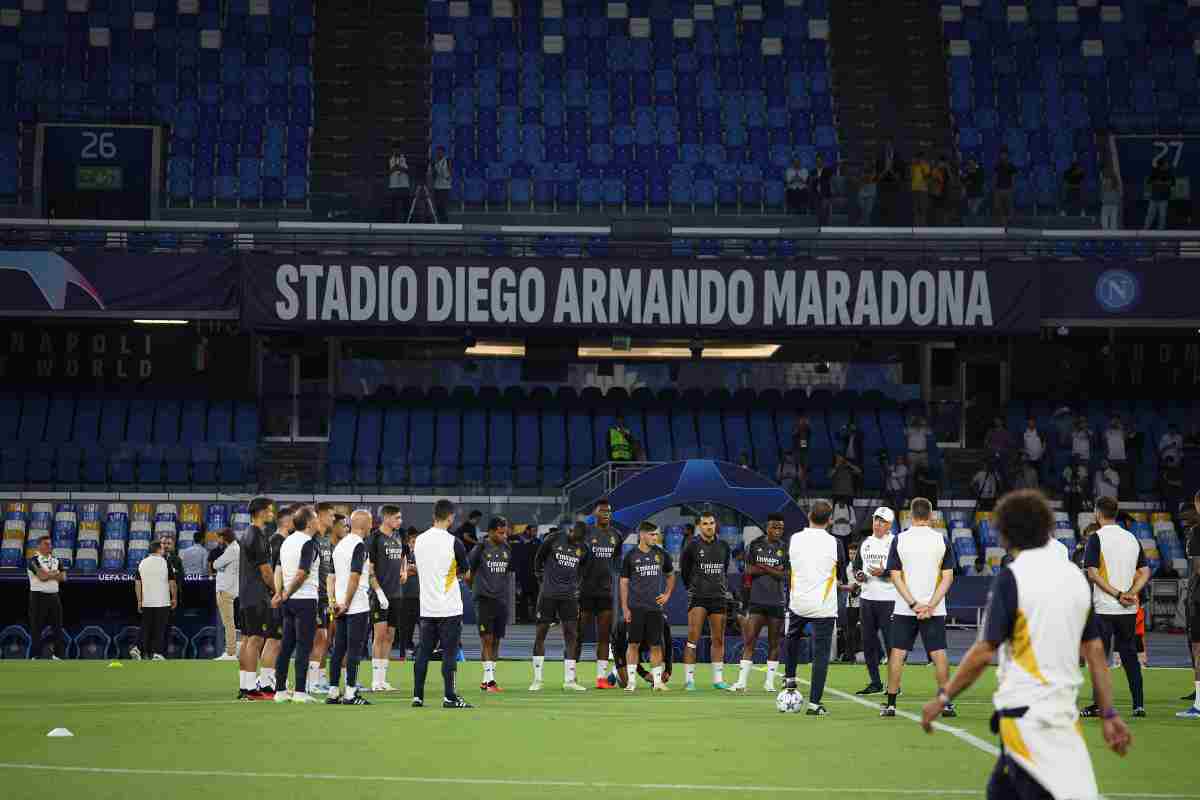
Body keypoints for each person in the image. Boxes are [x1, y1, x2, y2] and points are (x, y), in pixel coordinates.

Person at [919, 489, 1133, 799]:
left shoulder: (1013, 577)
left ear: (1007, 534)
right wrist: (1109, 713)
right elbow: (1095, 652)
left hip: (1025, 720)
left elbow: (984, 651)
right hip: (1062, 716)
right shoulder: (1075, 578)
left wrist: (943, 696)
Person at [881, 497, 956, 718]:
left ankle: (891, 704)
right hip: (934, 609)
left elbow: (895, 576)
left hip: (906, 608)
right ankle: (947, 704)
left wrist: (913, 604)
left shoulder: (900, 539)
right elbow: (948, 578)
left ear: (911, 516)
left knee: (897, 653)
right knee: (939, 653)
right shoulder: (941, 540)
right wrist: (931, 604)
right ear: (931, 516)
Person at [1081, 496, 1150, 718]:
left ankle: (1100, 704)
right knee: (1130, 655)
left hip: (1105, 608)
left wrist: (1118, 594)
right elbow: (1145, 572)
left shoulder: (1096, 538)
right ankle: (1138, 705)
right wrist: (1131, 593)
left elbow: (1092, 573)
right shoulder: (1132, 538)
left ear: (1098, 514)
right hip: (1128, 610)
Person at [779, 500, 845, 716]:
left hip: (798, 601)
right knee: (821, 654)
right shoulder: (835, 543)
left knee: (792, 637)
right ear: (830, 521)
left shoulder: (794, 539)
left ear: (808, 516)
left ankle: (789, 678)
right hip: (823, 606)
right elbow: (841, 574)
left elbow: (792, 566)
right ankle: (815, 704)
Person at [411, 498, 472, 709]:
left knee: (423, 653)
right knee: (449, 653)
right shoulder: (453, 542)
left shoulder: (419, 540)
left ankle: (417, 696)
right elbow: (466, 572)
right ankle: (450, 697)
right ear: (450, 517)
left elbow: (419, 567)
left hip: (427, 607)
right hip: (449, 607)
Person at [530, 521, 592, 692]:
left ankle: (569, 680)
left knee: (571, 635)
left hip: (569, 597)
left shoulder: (584, 548)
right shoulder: (554, 539)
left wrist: (577, 586)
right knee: (541, 633)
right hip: (548, 595)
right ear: (570, 531)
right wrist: (540, 578)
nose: (576, 541)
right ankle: (537, 680)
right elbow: (538, 558)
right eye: (575, 537)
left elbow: (584, 569)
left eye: (580, 539)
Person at [731, 513, 788, 692]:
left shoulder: (785, 548)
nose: (777, 531)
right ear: (767, 527)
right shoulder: (755, 545)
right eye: (774, 527)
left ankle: (769, 683)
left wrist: (762, 568)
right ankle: (741, 682)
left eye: (780, 528)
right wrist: (772, 569)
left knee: (774, 643)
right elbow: (748, 569)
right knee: (750, 641)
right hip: (757, 601)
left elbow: (785, 574)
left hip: (777, 601)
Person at [572, 499, 624, 689]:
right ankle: (571, 676)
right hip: (584, 591)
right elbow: (574, 559)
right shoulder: (585, 533)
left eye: (609, 511)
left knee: (604, 636)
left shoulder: (616, 535)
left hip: (605, 592)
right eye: (602, 511)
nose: (606, 514)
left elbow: (617, 562)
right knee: (577, 635)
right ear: (594, 513)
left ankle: (601, 678)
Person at [270, 506, 320, 703]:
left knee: (286, 646)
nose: (317, 521)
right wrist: (286, 593)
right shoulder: (308, 543)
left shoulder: (286, 542)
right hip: (304, 599)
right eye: (315, 518)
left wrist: (279, 593)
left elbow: (279, 570)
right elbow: (302, 573)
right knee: (303, 646)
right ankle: (300, 691)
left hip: (288, 601)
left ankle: (280, 691)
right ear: (308, 523)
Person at [619, 521, 675, 692]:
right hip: (636, 608)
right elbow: (623, 583)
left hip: (655, 608)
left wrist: (667, 594)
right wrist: (625, 608)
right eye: (652, 534)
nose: (655, 537)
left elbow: (671, 575)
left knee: (656, 645)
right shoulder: (630, 556)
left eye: (656, 534)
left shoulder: (661, 554)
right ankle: (631, 682)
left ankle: (657, 682)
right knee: (633, 644)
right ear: (642, 535)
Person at [679, 511, 732, 691]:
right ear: (699, 526)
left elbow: (723, 569)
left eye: (711, 523)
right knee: (692, 639)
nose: (709, 526)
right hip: (698, 597)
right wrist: (693, 588)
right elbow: (684, 571)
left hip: (718, 597)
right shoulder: (692, 546)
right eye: (705, 524)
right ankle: (689, 680)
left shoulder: (724, 546)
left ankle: (718, 680)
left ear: (715, 524)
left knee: (718, 639)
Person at [328, 509, 372, 705]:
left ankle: (333, 691)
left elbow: (332, 577)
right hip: (356, 605)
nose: (372, 526)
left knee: (339, 649)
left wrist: (335, 601)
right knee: (354, 650)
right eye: (371, 523)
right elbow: (355, 577)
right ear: (363, 525)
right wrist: (346, 602)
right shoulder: (359, 545)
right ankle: (351, 693)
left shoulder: (339, 546)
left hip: (339, 604)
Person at [236, 496, 276, 700]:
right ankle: (252, 688)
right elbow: (266, 570)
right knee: (256, 639)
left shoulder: (247, 534)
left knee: (247, 639)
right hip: (257, 594)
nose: (272, 512)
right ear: (260, 512)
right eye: (269, 509)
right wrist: (277, 590)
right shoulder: (257, 535)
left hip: (246, 594)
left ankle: (245, 685)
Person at [854, 507, 897, 695]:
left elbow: (902, 569)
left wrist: (885, 573)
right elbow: (857, 567)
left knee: (891, 644)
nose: (877, 524)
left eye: (882, 521)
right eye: (876, 520)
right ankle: (875, 682)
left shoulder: (896, 542)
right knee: (868, 642)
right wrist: (860, 575)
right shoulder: (865, 543)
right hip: (867, 598)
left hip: (889, 599)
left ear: (889, 525)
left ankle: (894, 685)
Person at [466, 516, 511, 693]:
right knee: (487, 639)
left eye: (505, 533)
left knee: (497, 640)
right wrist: (477, 590)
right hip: (484, 599)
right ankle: (490, 681)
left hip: (501, 599)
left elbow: (505, 573)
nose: (504, 536)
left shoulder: (507, 548)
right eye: (500, 533)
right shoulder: (480, 548)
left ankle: (487, 680)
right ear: (491, 532)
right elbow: (468, 573)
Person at [367, 503, 406, 692]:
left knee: (390, 636)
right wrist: (378, 592)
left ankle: (383, 679)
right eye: (397, 517)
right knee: (379, 635)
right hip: (379, 595)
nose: (400, 521)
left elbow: (404, 555)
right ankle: (375, 679)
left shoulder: (400, 536)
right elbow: (369, 568)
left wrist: (404, 570)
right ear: (387, 518)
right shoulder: (374, 538)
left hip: (397, 594)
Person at [260, 504, 295, 693]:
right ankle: (265, 679)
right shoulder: (277, 542)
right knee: (273, 640)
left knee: (278, 640)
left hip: (279, 596)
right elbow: (273, 572)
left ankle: (268, 677)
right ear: (287, 521)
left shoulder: (281, 540)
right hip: (275, 597)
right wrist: (277, 593)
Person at [308, 512, 340, 692]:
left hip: (326, 598)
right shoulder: (311, 541)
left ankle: (318, 678)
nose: (332, 521)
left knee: (324, 640)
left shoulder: (329, 541)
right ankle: (311, 682)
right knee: (317, 639)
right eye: (329, 516)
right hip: (314, 597)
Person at [1179, 490, 1200, 719]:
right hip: (1194, 594)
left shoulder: (1196, 533)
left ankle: (1199, 702)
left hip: (1198, 596)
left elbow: (1198, 569)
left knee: (1197, 648)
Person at [27, 536, 65, 660]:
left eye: (50, 544)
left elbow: (64, 577)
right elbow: (41, 576)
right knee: (36, 627)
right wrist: (54, 574)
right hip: (38, 595)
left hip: (54, 595)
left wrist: (48, 574)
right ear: (39, 546)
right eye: (46, 544)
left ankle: (58, 655)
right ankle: (35, 655)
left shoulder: (56, 560)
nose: (49, 546)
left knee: (57, 626)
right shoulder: (33, 560)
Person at [135, 540, 174, 661]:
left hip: (147, 601)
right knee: (160, 628)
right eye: (162, 548)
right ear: (158, 549)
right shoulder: (165, 562)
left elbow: (137, 583)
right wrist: (174, 597)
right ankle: (157, 653)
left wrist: (139, 601)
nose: (164, 550)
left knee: (146, 627)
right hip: (162, 601)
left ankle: (138, 648)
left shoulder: (142, 563)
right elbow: (172, 582)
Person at [210, 528, 239, 661]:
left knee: (228, 622)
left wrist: (220, 566)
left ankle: (231, 653)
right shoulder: (233, 549)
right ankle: (230, 651)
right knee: (228, 622)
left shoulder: (232, 550)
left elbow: (215, 564)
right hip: (227, 588)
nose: (218, 540)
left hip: (225, 590)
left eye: (219, 537)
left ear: (224, 537)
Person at [397, 526, 420, 659]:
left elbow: (423, 571)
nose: (414, 544)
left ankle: (421, 653)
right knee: (404, 628)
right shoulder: (403, 555)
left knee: (423, 627)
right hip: (404, 596)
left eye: (416, 542)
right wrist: (410, 569)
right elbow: (401, 573)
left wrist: (412, 569)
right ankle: (402, 655)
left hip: (419, 596)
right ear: (408, 542)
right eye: (412, 542)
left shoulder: (423, 556)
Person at [840, 540, 863, 662]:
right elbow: (843, 584)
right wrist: (850, 589)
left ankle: (878, 656)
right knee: (849, 631)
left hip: (864, 603)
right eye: (850, 553)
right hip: (850, 603)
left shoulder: (863, 567)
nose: (852, 556)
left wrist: (859, 589)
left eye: (854, 553)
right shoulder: (846, 568)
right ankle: (850, 656)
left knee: (867, 630)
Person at [1145, 157, 1173, 230]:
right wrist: (1159, 183)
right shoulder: (1155, 172)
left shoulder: (1169, 173)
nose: (1167, 165)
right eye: (1166, 163)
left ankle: (1161, 233)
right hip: (1154, 198)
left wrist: (1160, 183)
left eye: (1167, 164)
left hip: (1164, 198)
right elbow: (1148, 182)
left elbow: (1172, 183)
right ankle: (1145, 231)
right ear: (1162, 165)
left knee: (1162, 216)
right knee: (1150, 215)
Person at [993, 147, 1018, 226]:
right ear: (1000, 155)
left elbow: (1014, 177)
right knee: (999, 207)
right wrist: (995, 188)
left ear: (1007, 155)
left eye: (1005, 154)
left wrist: (1013, 188)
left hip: (1008, 189)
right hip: (999, 189)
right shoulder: (997, 165)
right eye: (1002, 154)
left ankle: (1010, 222)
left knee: (1010, 207)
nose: (1003, 156)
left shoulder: (1011, 166)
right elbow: (995, 176)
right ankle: (1002, 222)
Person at [428, 145, 452, 223]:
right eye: (437, 152)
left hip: (445, 187)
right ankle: (439, 222)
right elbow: (434, 176)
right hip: (437, 187)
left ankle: (445, 223)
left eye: (440, 152)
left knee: (443, 207)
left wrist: (442, 171)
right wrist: (433, 167)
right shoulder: (435, 162)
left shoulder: (447, 160)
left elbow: (449, 174)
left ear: (443, 153)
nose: (438, 154)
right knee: (438, 207)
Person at [1020, 417, 1044, 490]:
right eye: (1029, 422)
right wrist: (1025, 454)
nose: (1031, 423)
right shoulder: (1024, 433)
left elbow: (1044, 443)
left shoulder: (1039, 432)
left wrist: (1042, 454)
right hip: (1029, 459)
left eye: (1032, 422)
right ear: (1028, 423)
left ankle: (1039, 492)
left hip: (1039, 458)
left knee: (1039, 477)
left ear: (1035, 423)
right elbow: (1024, 445)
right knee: (1030, 479)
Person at [387, 150, 410, 222]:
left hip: (404, 185)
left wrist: (400, 168)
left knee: (405, 206)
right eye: (395, 149)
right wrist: (394, 168)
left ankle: (406, 222)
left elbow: (410, 170)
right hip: (394, 186)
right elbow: (386, 171)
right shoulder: (390, 158)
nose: (397, 151)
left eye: (398, 149)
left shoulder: (406, 158)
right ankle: (393, 222)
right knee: (393, 206)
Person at [910, 151, 930, 226]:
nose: (919, 160)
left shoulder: (926, 166)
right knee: (915, 211)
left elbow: (927, 177)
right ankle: (916, 227)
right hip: (914, 189)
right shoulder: (913, 166)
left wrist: (922, 167)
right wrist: (913, 166)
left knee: (922, 210)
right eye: (918, 158)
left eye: (921, 158)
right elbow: (910, 177)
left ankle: (923, 227)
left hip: (923, 190)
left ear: (923, 159)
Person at [858, 161, 877, 225]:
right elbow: (862, 177)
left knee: (870, 201)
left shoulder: (874, 170)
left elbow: (872, 178)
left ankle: (866, 221)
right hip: (863, 187)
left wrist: (869, 178)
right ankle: (865, 221)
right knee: (862, 202)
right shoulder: (862, 170)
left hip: (871, 187)